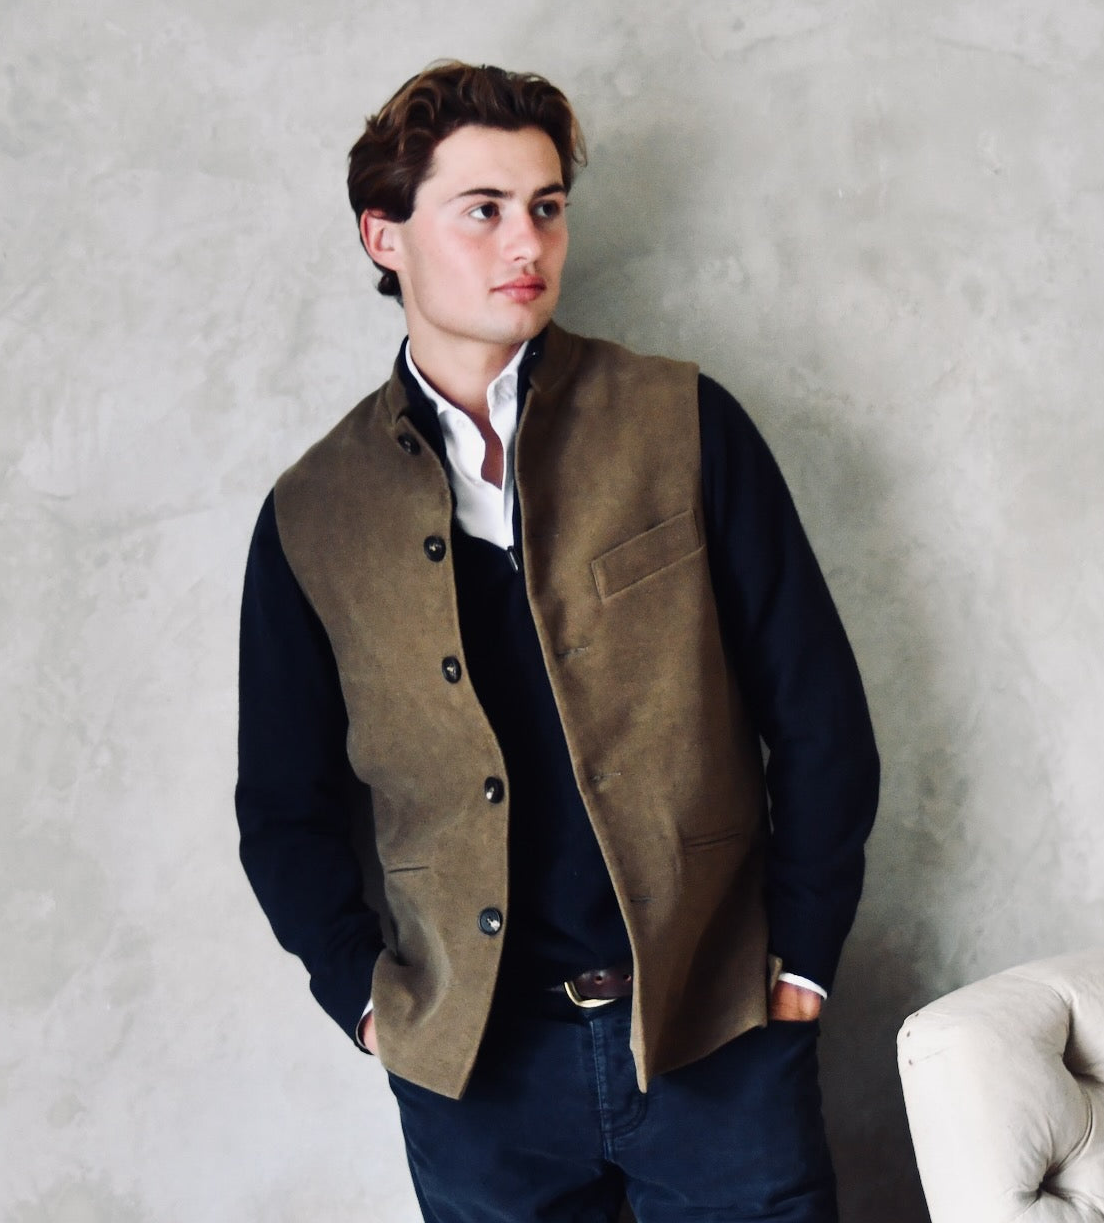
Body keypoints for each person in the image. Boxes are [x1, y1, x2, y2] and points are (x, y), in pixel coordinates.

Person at [236, 60, 879, 1222]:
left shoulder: (681, 420)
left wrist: (799, 961)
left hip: (714, 1032)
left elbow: (817, 713)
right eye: (481, 209)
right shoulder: (313, 513)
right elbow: (282, 807)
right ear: (384, 235)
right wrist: (370, 1002)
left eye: (545, 206)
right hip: (478, 1083)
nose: (524, 242)